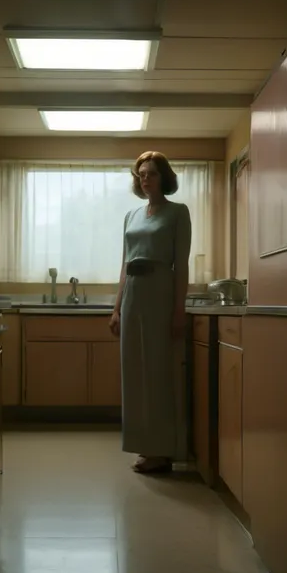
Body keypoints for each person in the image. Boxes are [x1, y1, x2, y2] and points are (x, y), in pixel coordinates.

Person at [109, 151, 192, 474]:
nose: (145, 179)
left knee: (157, 372)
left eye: (152, 174)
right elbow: (124, 264)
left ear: (164, 178)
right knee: (134, 372)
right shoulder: (131, 216)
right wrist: (116, 307)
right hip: (133, 293)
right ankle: (144, 445)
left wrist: (178, 311)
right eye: (141, 174)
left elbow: (181, 265)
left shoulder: (177, 213)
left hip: (160, 290)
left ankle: (162, 451)